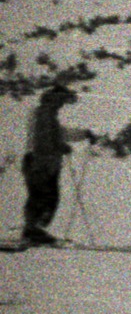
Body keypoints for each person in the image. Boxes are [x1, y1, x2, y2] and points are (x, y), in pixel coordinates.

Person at [20, 85, 89, 245]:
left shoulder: (46, 115)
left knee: (43, 196)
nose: (62, 105)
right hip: (41, 163)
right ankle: (33, 230)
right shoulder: (44, 115)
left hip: (43, 162)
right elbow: (44, 139)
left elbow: (58, 133)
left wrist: (84, 134)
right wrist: (60, 146)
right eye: (62, 101)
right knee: (45, 196)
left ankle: (33, 230)